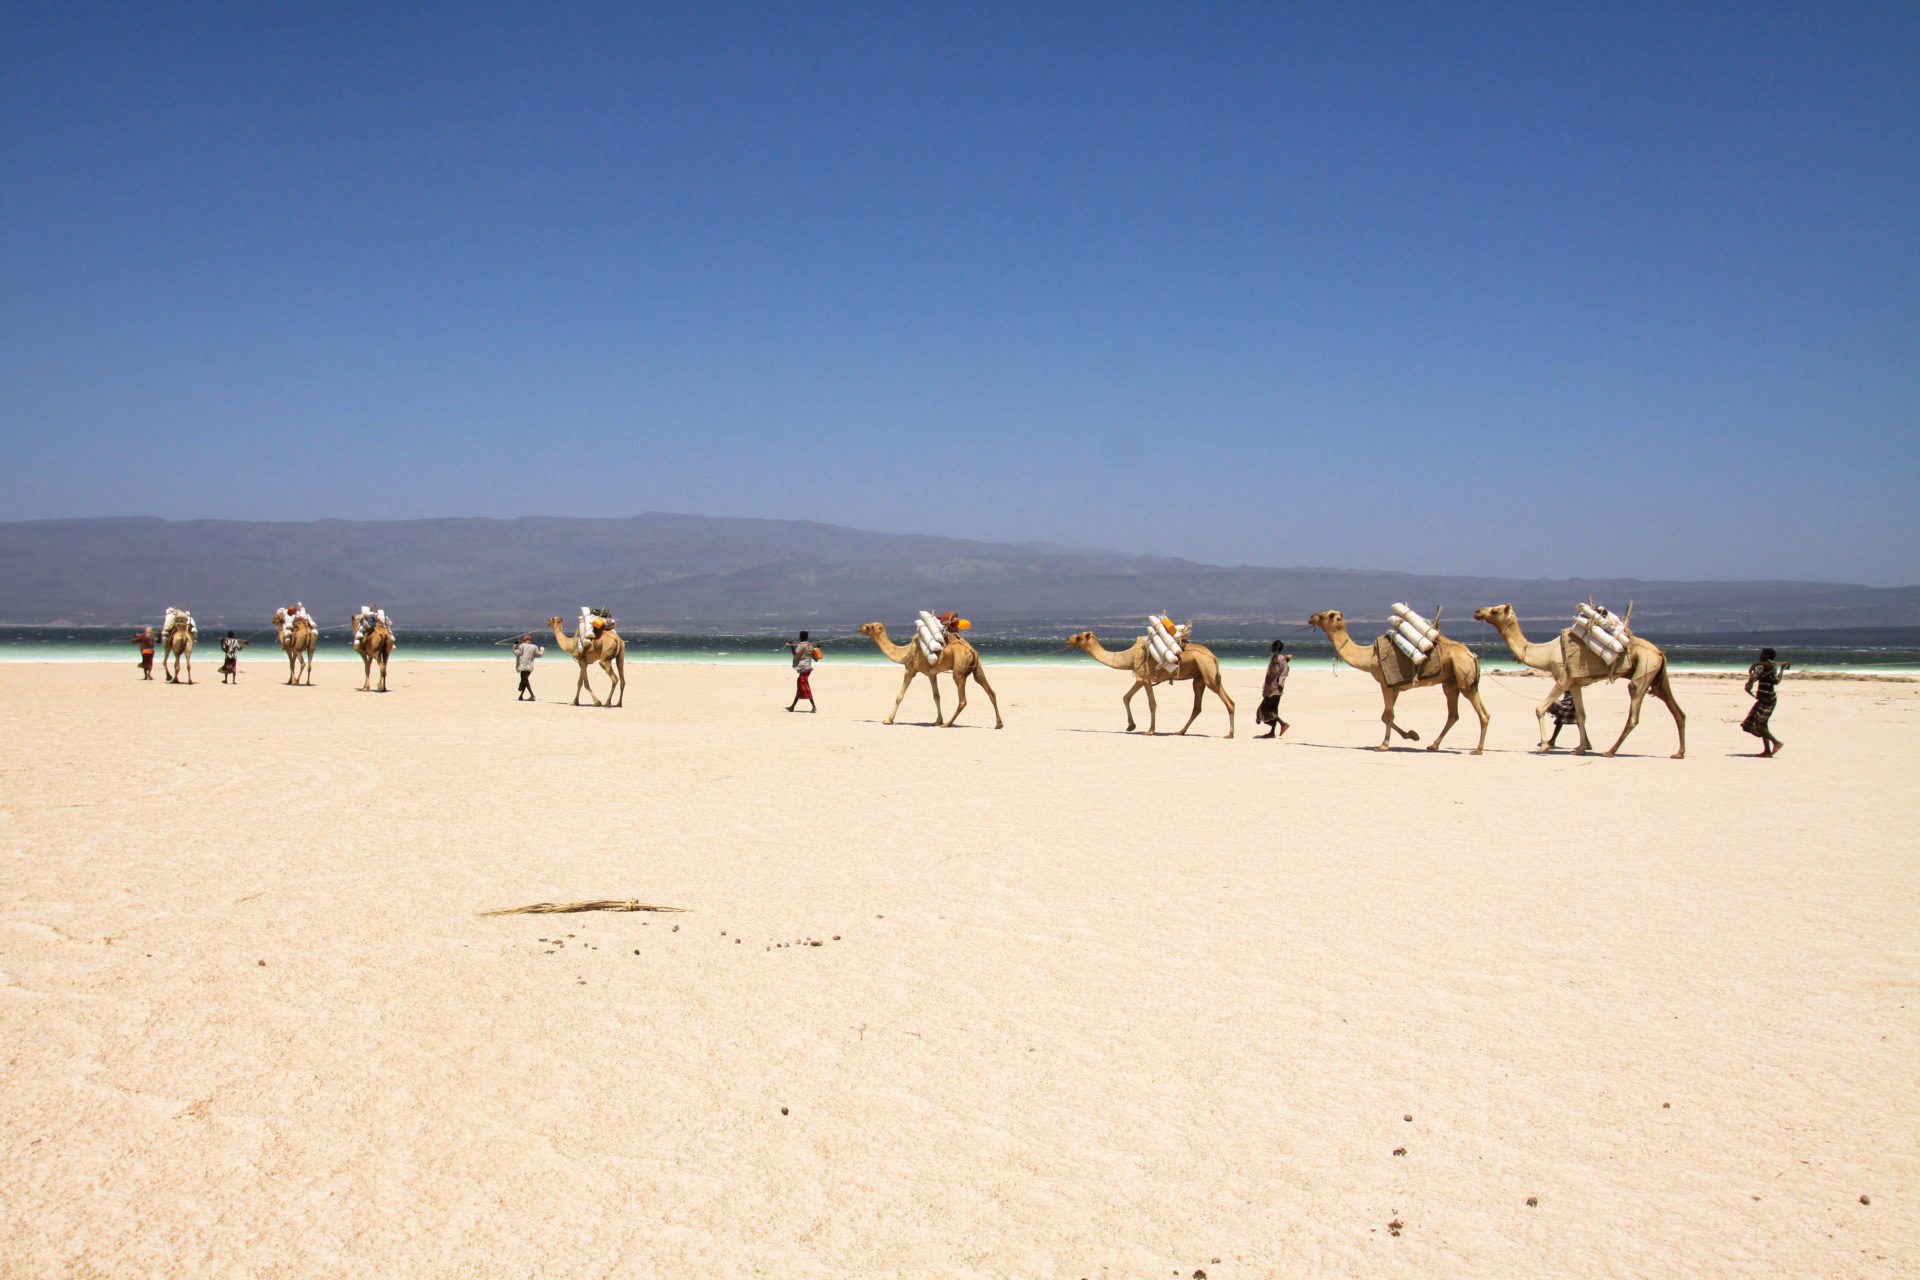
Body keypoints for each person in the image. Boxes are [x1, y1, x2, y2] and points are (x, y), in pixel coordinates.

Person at [1742, 647, 1791, 757]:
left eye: (1762, 654)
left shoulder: (1763, 666)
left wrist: (1749, 685)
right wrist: (1782, 670)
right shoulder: (1772, 666)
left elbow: (1754, 676)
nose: (1760, 655)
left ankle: (1776, 743)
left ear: (1765, 655)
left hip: (1765, 698)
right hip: (1771, 698)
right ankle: (1767, 751)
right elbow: (1776, 681)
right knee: (1763, 724)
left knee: (1756, 724)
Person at [1255, 639, 1290, 738]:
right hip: (1278, 689)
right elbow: (1284, 671)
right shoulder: (1282, 658)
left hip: (1272, 688)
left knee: (1264, 709)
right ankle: (1272, 732)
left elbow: (1272, 675)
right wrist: (1280, 684)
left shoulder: (1274, 659)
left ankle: (1283, 724)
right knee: (1274, 709)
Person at [781, 631, 818, 712]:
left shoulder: (802, 646)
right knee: (800, 687)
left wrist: (791, 646)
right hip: (808, 668)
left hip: (804, 668)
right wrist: (817, 647)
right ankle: (792, 707)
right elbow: (816, 659)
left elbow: (795, 654)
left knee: (805, 687)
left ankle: (814, 707)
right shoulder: (810, 645)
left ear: (801, 637)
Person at [512, 634, 544, 701]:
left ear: (524, 640)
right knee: (524, 681)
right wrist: (541, 649)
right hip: (530, 667)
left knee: (524, 681)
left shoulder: (522, 646)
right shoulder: (534, 647)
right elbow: (539, 655)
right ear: (530, 640)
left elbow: (517, 653)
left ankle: (532, 695)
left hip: (523, 666)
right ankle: (521, 696)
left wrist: (514, 647)